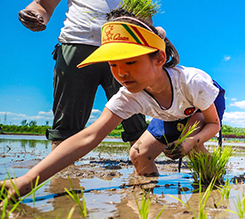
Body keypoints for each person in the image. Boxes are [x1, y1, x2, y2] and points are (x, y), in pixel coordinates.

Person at [4, 10, 224, 199]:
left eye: (130, 62)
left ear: (159, 58)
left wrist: (188, 143)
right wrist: (27, 181)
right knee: (138, 153)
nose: (121, 73)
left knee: (191, 139)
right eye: (113, 64)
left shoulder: (194, 82)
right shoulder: (129, 95)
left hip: (201, 107)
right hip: (169, 113)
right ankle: (147, 196)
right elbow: (89, 136)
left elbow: (213, 124)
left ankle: (212, 187)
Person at [18, 0, 148, 149]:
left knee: (135, 115)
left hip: (124, 47)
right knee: (66, 122)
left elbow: (144, 17)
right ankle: (62, 167)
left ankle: (144, 162)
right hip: (76, 45)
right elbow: (43, 5)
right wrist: (34, 14)